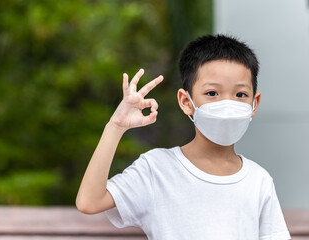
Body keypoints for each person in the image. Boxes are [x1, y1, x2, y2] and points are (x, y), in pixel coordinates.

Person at [76, 34, 291, 239]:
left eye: (241, 95)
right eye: (212, 93)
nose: (228, 105)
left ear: (255, 103)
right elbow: (89, 202)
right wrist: (115, 126)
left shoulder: (258, 180)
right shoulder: (157, 169)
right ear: (186, 102)